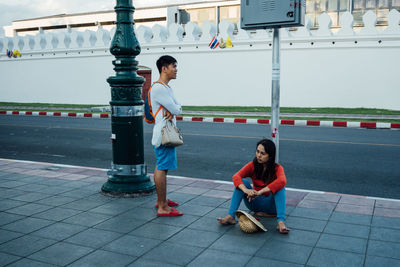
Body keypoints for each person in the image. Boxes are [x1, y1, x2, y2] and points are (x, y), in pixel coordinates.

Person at [217, 138, 290, 234]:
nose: (258, 155)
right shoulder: (253, 165)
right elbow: (236, 176)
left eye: (263, 153)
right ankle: (231, 216)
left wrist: (260, 192)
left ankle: (280, 222)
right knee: (242, 182)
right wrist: (246, 191)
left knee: (280, 188)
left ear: (270, 156)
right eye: (258, 151)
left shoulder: (277, 168)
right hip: (255, 204)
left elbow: (282, 180)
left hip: (271, 206)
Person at [151, 55, 183, 217]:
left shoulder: (167, 88)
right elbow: (177, 109)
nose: (176, 70)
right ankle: (162, 206)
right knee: (162, 168)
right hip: (164, 135)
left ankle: (160, 200)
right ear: (164, 68)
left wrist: (175, 108)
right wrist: (174, 109)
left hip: (165, 134)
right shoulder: (158, 88)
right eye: (173, 66)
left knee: (161, 166)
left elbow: (178, 107)